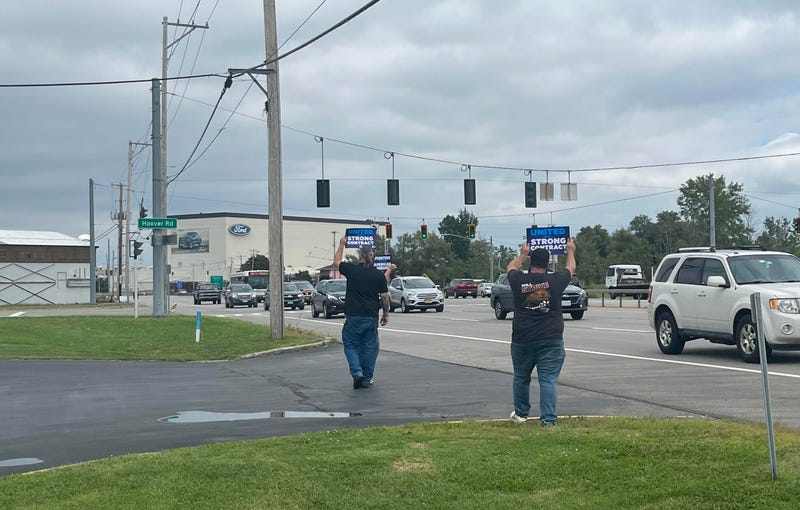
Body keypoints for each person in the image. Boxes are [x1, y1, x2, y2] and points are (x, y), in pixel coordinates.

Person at [505, 238, 576, 426]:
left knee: (521, 377)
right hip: (550, 339)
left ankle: (521, 415)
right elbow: (570, 269)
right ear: (547, 264)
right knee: (548, 380)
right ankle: (548, 420)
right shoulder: (555, 281)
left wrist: (522, 254)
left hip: (522, 339)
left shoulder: (518, 280)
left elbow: (510, 268)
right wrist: (570, 250)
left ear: (531, 263)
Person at [333, 237, 391, 389]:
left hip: (353, 316)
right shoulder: (378, 275)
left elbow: (337, 261)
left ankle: (357, 373)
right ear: (372, 257)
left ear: (359, 256)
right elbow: (384, 298)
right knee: (370, 347)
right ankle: (367, 377)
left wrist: (341, 245)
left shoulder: (351, 270)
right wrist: (386, 314)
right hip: (371, 316)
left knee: (351, 345)